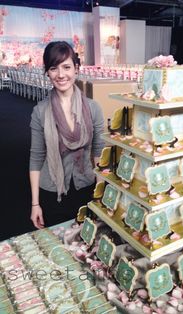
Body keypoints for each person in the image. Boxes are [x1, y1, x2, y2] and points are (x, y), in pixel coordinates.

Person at [29, 41, 104, 229]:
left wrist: (101, 193)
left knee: (89, 244)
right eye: (54, 68)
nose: (61, 75)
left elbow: (99, 153)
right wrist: (35, 204)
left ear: (76, 69)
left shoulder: (93, 108)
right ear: (47, 72)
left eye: (67, 67)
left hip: (86, 187)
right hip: (52, 192)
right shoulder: (40, 111)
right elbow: (36, 158)